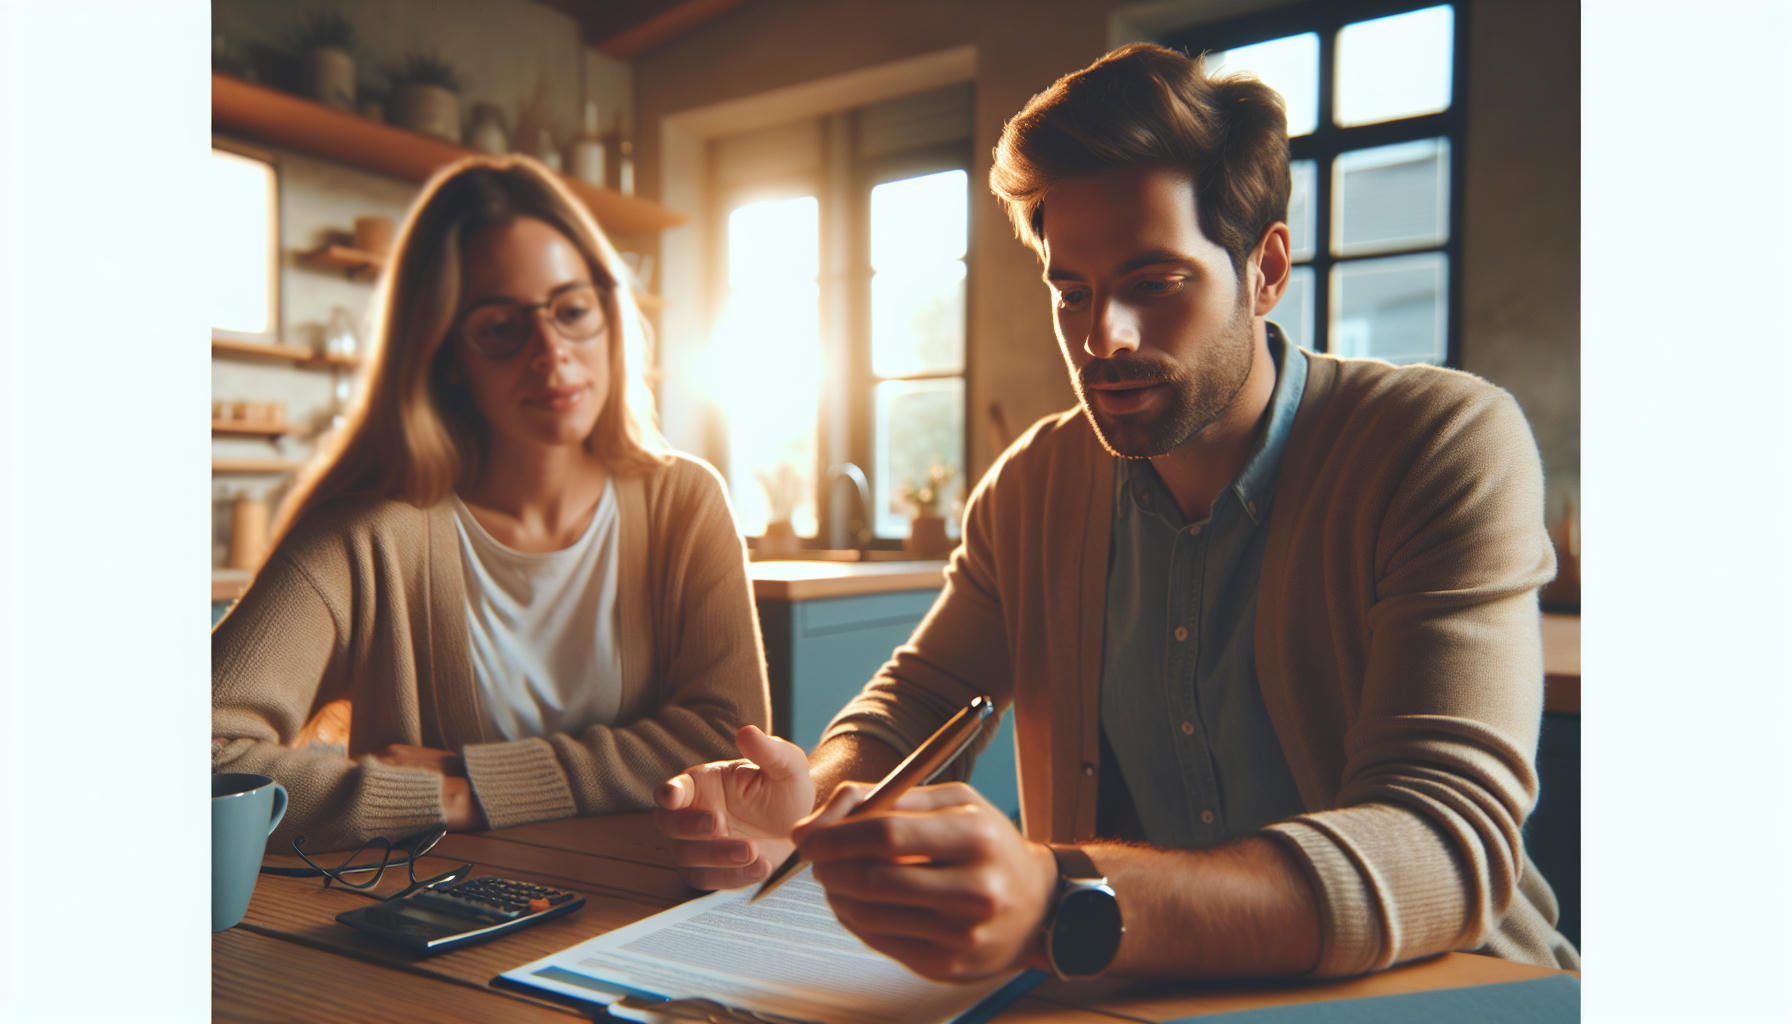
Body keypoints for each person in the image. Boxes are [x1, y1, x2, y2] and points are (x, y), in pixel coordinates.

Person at [653, 44, 1578, 984]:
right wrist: (822, 806)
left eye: (1153, 283)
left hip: (1445, 991)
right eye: (1073, 292)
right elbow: (917, 704)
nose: (1104, 337)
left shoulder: (1444, 443)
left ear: (1264, 271)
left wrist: (1064, 895)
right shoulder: (1030, 488)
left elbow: (1443, 840)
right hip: (1133, 993)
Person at [213, 156, 771, 852]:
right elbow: (203, 756)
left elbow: (728, 744)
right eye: (502, 327)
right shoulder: (366, 536)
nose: (551, 352)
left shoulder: (685, 502)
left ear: (609, 315)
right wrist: (432, 797)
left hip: (643, 914)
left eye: (572, 310)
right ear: (447, 355)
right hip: (431, 929)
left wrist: (482, 785)